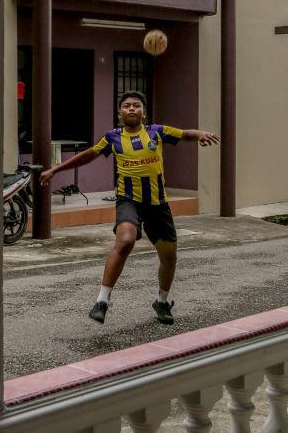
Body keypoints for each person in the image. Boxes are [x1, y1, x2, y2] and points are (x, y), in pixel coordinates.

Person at [39, 91, 218, 325]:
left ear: (144, 112)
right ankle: (101, 301)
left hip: (157, 204)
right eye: (126, 106)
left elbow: (185, 134)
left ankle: (162, 301)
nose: (131, 109)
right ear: (119, 113)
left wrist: (200, 134)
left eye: (136, 105)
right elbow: (87, 155)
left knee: (169, 258)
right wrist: (55, 170)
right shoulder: (112, 138)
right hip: (128, 200)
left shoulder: (158, 131)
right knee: (125, 240)